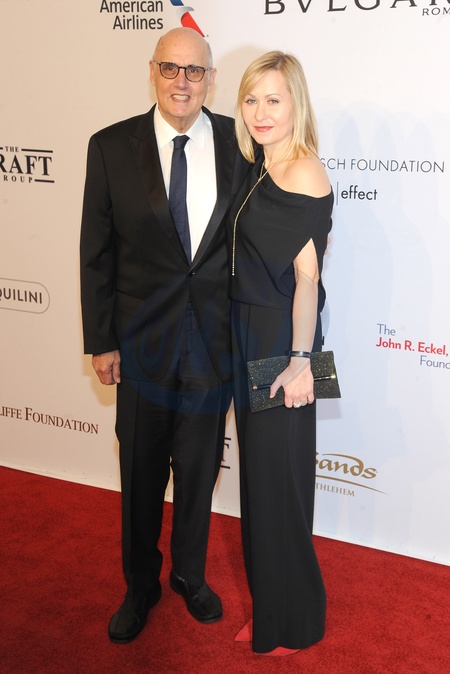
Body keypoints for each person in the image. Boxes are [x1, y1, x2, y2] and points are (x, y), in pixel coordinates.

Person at [80, 27, 246, 644]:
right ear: (152, 71)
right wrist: (102, 339)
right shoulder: (110, 146)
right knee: (141, 473)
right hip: (140, 345)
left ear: (211, 79)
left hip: (212, 345)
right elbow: (96, 252)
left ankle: (189, 575)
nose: (182, 82)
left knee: (199, 472)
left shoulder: (241, 142)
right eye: (171, 68)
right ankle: (139, 585)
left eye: (194, 71)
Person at [229, 51, 333, 655]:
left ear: (296, 103)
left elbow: (308, 279)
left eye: (273, 99)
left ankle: (297, 622)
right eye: (251, 99)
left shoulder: (303, 170)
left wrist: (299, 361)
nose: (261, 112)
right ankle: (274, 611)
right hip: (250, 330)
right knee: (263, 484)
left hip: (281, 340)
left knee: (280, 485)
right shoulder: (259, 165)